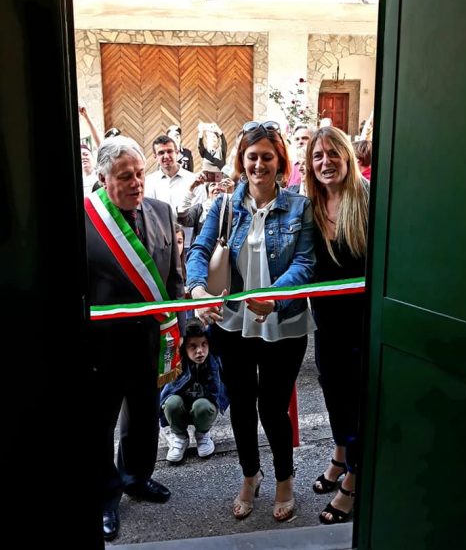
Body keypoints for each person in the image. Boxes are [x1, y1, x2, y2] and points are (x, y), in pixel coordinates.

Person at [186, 120, 316, 522]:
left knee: (273, 408)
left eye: (267, 157)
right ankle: (249, 475)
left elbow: (305, 262)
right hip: (232, 325)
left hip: (284, 324)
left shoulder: (300, 207)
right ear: (242, 161)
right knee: (241, 405)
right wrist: (197, 291)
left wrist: (275, 296)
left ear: (280, 162)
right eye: (252, 157)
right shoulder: (225, 206)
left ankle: (284, 479)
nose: (259, 164)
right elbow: (199, 249)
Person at [84, 135, 185, 542]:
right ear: (103, 178)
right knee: (98, 425)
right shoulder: (86, 220)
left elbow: (174, 277)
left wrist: (181, 327)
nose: (136, 182)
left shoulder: (162, 211)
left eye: (140, 174)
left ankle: (136, 477)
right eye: (125, 176)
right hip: (102, 349)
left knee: (144, 416)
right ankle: (104, 496)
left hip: (150, 343)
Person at [305, 126, 369, 525]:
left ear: (347, 156)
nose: (326, 162)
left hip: (362, 324)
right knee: (332, 392)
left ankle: (354, 479)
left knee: (356, 402)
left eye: (333, 153)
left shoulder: (368, 199)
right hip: (326, 323)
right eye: (317, 156)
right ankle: (340, 454)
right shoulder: (308, 206)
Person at [160, 317, 228, 463]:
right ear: (184, 347)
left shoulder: (213, 359)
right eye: (193, 346)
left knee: (202, 405)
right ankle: (180, 437)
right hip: (181, 411)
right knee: (171, 403)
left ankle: (202, 435)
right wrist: (165, 422)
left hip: (201, 410)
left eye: (204, 344)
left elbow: (217, 331)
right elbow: (165, 397)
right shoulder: (177, 363)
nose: (200, 351)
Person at [176, 172, 234, 243]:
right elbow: (182, 217)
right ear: (208, 192)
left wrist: (231, 197)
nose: (217, 188)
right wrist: (191, 188)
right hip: (201, 248)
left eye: (222, 184)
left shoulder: (236, 207)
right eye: (213, 185)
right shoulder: (200, 209)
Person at [287, 124, 314, 188]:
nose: (300, 142)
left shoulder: (318, 165)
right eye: (297, 139)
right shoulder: (289, 167)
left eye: (305, 138)